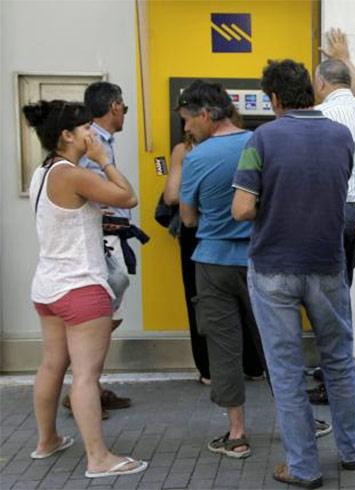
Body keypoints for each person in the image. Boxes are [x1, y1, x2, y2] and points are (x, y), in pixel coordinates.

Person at [232, 59, 355, 489]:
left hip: (274, 267)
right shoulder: (341, 135)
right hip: (327, 263)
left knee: (287, 368)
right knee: (339, 360)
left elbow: (241, 208)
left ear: (273, 99)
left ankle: (304, 466)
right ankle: (353, 449)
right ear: (312, 91)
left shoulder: (263, 138)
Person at [23, 100, 147, 478]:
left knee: (51, 365)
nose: (91, 134)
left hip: (48, 287)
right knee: (86, 376)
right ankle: (99, 458)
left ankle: (47, 442)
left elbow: (68, 217)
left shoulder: (43, 172)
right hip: (81, 287)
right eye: (85, 129)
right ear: (67, 135)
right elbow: (127, 197)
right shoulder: (74, 173)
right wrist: (104, 158)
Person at [176, 80, 266, 459]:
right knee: (275, 342)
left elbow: (188, 217)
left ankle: (237, 433)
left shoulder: (196, 158)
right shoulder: (260, 144)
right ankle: (305, 422)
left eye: (187, 121)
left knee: (223, 348)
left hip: (212, 263)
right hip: (260, 260)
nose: (186, 129)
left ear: (206, 114)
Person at [64, 81, 147, 414]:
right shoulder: (94, 142)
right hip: (100, 240)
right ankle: (84, 391)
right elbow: (101, 191)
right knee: (97, 318)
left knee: (103, 315)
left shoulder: (100, 140)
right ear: (114, 106)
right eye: (124, 108)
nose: (123, 114)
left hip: (106, 239)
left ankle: (89, 386)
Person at [315, 28, 355, 285]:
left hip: (330, 210)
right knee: (342, 284)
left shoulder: (318, 114)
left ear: (320, 84)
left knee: (327, 291)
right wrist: (344, 58)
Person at [162, 131, 211, 385]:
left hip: (195, 233)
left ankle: (208, 369)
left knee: (198, 298)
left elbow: (170, 196)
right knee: (242, 295)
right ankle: (253, 364)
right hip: (237, 229)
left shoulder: (184, 150)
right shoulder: (245, 140)